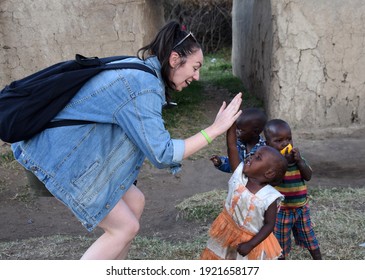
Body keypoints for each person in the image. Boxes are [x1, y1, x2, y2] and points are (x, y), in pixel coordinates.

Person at [11, 20, 242, 260]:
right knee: (124, 228)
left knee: (136, 201)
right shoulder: (143, 86)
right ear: (175, 59)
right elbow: (162, 154)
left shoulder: (142, 70)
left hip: (71, 147)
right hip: (56, 152)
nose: (197, 76)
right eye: (195, 67)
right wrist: (214, 130)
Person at [200, 122, 287, 260]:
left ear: (269, 173)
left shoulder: (270, 197)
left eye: (257, 158)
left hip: (251, 242)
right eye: (253, 154)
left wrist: (251, 244)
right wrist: (231, 123)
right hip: (226, 233)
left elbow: (269, 225)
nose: (250, 157)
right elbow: (232, 147)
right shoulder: (239, 176)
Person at [263, 119, 322, 260]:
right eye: (279, 140)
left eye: (289, 139)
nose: (286, 144)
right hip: (281, 211)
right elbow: (274, 181)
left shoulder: (297, 160)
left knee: (310, 237)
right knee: (280, 244)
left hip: (301, 208)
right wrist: (283, 164)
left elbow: (308, 176)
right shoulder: (270, 164)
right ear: (268, 145)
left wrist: (300, 162)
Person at [210, 107, 267, 173]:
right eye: (236, 128)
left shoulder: (264, 151)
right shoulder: (238, 144)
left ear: (255, 132)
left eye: (240, 130)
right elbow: (234, 165)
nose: (236, 132)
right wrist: (220, 163)